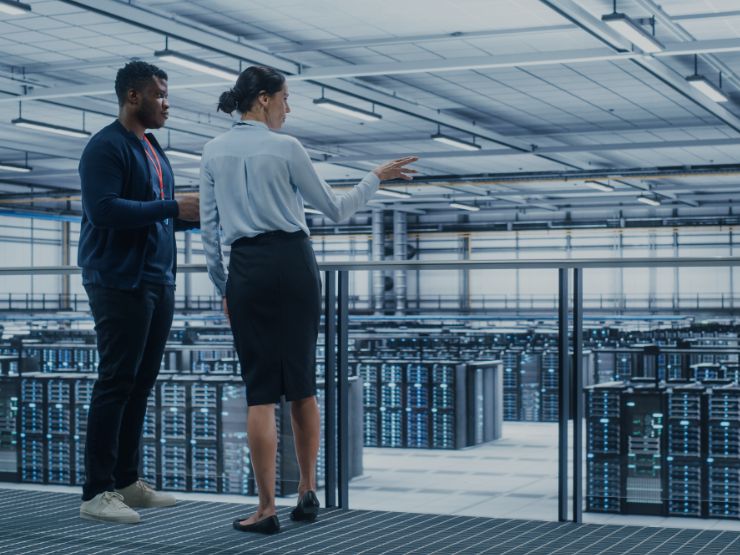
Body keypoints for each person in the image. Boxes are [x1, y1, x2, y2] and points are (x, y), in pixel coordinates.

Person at [199, 66, 417, 534]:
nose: (288, 107)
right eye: (284, 98)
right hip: (295, 265)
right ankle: (307, 492)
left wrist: (224, 288)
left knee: (260, 391)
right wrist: (374, 177)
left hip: (247, 269)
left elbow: (210, 231)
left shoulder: (213, 151)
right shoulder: (286, 147)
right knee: (301, 382)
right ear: (262, 99)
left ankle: (265, 508)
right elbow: (336, 210)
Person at [77, 61, 200, 524]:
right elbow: (103, 210)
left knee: (140, 382)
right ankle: (96, 491)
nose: (167, 103)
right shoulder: (105, 147)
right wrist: (173, 205)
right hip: (117, 280)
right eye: (160, 95)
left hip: (155, 279)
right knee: (115, 382)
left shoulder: (151, 147)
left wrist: (199, 212)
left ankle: (126, 481)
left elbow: (159, 214)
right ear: (134, 97)